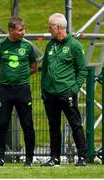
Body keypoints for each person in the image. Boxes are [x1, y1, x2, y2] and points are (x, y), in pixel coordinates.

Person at [41, 13, 87, 167]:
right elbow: (46, 68)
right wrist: (44, 89)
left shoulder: (75, 46)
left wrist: (73, 89)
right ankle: (54, 158)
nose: (49, 30)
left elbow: (82, 70)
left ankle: (82, 157)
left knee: (75, 125)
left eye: (51, 27)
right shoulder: (50, 45)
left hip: (67, 93)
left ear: (59, 28)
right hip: (50, 94)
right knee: (53, 127)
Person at [0, 16, 37, 167]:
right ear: (11, 30)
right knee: (2, 124)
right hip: (5, 90)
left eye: (24, 29)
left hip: (22, 90)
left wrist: (20, 77)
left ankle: (29, 159)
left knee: (27, 124)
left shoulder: (28, 46)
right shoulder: (0, 45)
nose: (23, 32)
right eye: (20, 30)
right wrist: (7, 77)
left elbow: (34, 67)